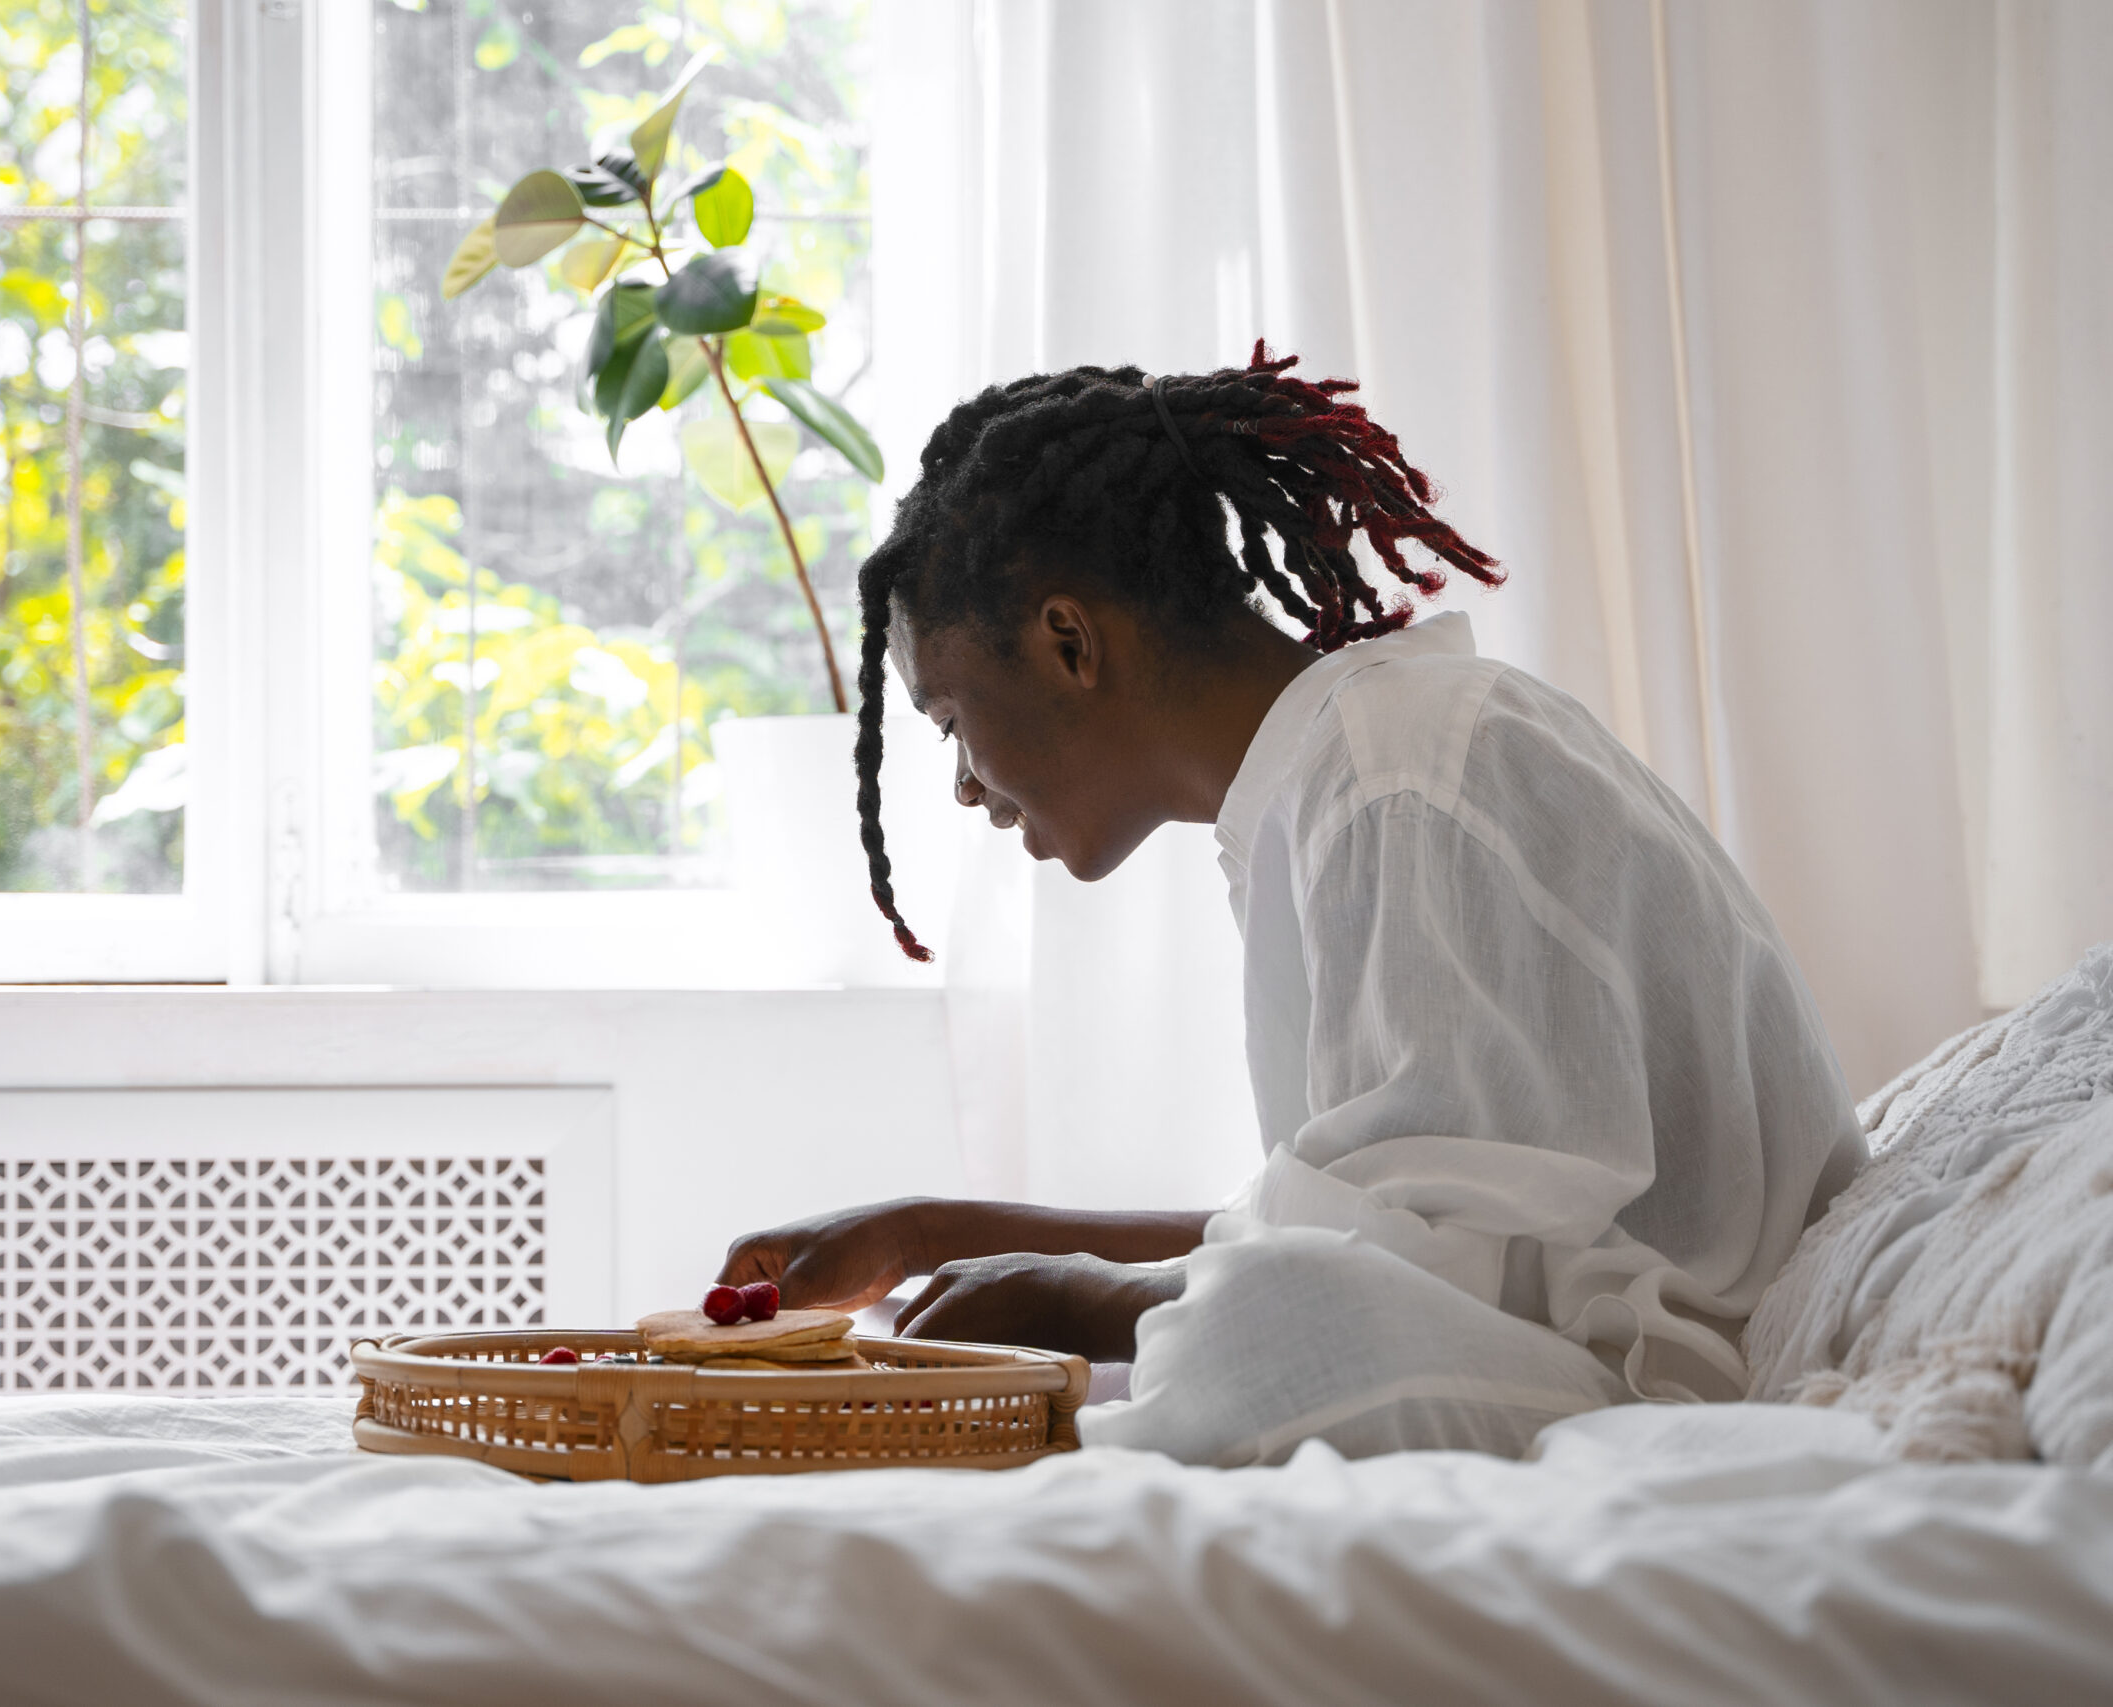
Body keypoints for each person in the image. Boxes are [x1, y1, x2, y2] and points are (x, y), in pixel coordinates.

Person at [715, 344, 1866, 1466]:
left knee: (1260, 1327)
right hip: (1559, 1344)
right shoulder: (1338, 779)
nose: (966, 787)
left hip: (1667, 1379)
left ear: (1068, 642)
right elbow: (1348, 1222)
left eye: (950, 723)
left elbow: (1379, 1273)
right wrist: (929, 1232)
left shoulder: (1395, 777)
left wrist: (1086, 1299)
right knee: (1257, 1306)